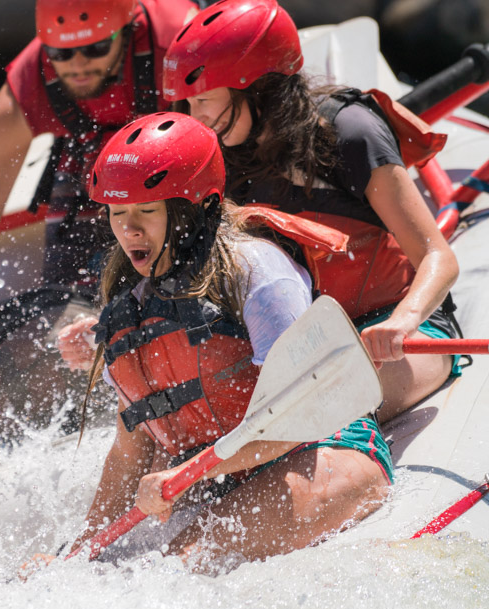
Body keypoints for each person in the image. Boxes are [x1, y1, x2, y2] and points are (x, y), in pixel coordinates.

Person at [62, 113, 391, 572]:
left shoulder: (257, 273)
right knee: (100, 571)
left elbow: (304, 413)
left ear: (196, 207)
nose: (129, 230)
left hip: (320, 451)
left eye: (147, 210)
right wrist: (79, 551)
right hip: (217, 475)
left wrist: (191, 472)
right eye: (119, 213)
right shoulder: (132, 299)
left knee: (180, 568)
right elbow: (129, 449)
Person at [160, 0, 462, 421]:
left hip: (400, 331)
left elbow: (438, 257)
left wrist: (403, 322)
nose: (198, 119)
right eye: (188, 105)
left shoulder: (351, 133)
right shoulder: (222, 153)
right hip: (307, 340)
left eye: (205, 100)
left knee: (318, 413)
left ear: (259, 86)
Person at [0, 0, 196, 334]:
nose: (79, 65)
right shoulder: (24, 89)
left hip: (174, 158)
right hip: (88, 160)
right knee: (68, 317)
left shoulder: (179, 40)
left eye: (96, 47)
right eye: (62, 54)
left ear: (127, 32)